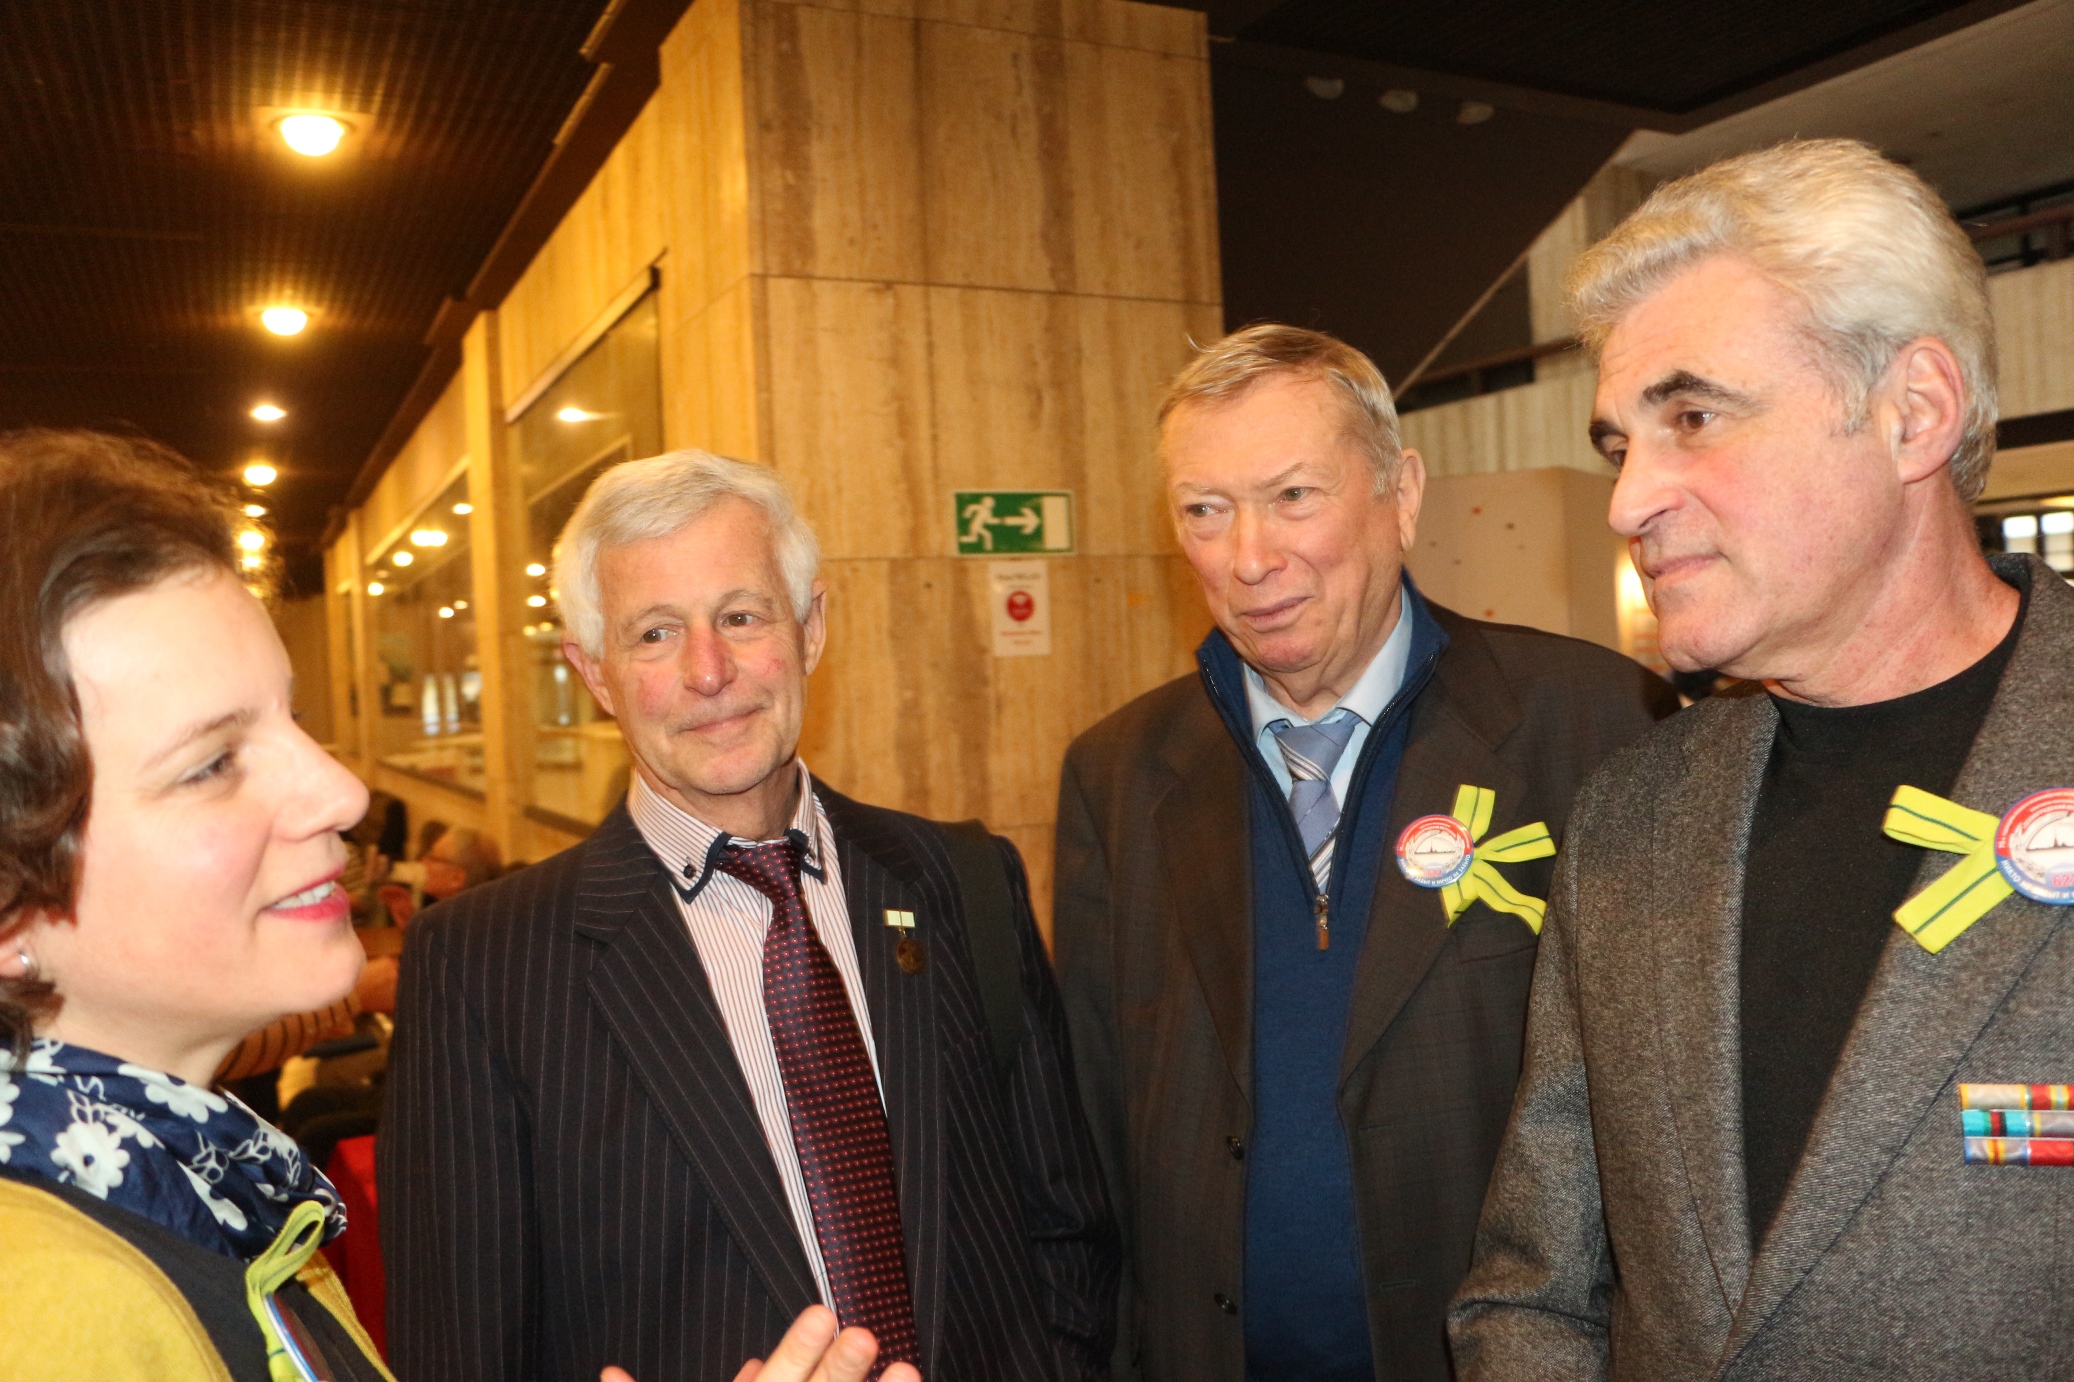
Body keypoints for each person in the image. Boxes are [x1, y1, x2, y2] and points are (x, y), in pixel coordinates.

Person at [0, 429, 913, 1382]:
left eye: (292, 720)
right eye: (213, 763)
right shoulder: (50, 1310)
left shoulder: (207, 1194)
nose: (341, 791)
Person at [1448, 139, 2072, 1377]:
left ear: (1912, 412)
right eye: (1619, 442)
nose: (1627, 501)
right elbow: (1535, 1286)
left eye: (1691, 417)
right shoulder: (1631, 814)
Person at [380, 450, 1118, 1382]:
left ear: (810, 629)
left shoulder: (962, 880)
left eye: (741, 616)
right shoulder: (483, 966)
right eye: (655, 634)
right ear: (595, 673)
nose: (709, 671)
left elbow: (1065, 1231)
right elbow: (462, 1349)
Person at [1052, 325, 1676, 1382]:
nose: (1249, 556)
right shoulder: (1117, 776)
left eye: (1293, 496)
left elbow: (1664, 1112)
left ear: (1401, 495)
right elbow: (1093, 1131)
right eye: (1205, 510)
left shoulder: (1591, 725)